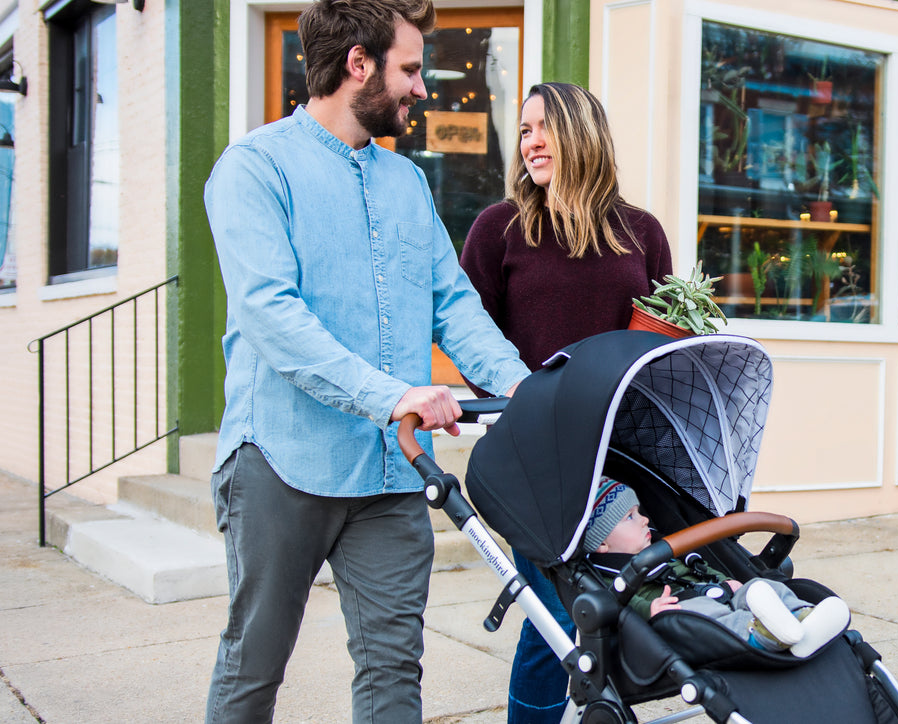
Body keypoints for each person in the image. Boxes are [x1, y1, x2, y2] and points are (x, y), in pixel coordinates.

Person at [202, 2, 529, 722]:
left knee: (392, 673)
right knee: (253, 668)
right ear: (358, 64)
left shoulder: (408, 185)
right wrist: (393, 394)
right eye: (410, 69)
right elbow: (273, 317)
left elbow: (455, 306)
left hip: (389, 472)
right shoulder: (254, 168)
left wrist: (525, 389)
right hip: (282, 462)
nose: (421, 88)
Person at [459, 82, 673, 723]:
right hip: (540, 455)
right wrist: (520, 403)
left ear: (584, 135)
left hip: (623, 451)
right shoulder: (500, 229)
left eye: (544, 126)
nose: (531, 141)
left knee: (619, 599)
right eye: (524, 129)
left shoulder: (640, 231)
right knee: (553, 612)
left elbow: (664, 328)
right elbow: (472, 335)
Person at [584, 478, 851, 657]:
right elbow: (622, 607)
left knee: (762, 587)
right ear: (602, 543)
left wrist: (726, 582)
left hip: (716, 592)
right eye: (630, 517)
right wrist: (650, 610)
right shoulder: (610, 577)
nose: (644, 520)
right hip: (683, 611)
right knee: (710, 614)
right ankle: (763, 635)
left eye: (639, 512)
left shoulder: (661, 551)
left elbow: (698, 568)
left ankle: (803, 617)